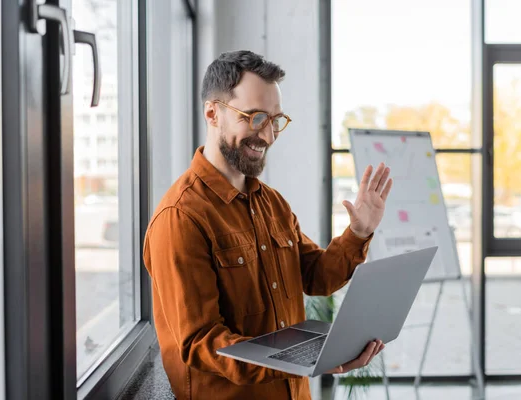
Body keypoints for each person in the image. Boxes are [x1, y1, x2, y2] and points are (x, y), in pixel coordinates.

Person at [143, 50, 393, 400]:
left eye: (276, 119)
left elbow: (316, 278)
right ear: (213, 113)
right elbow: (201, 344)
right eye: (256, 117)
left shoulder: (271, 203)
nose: (269, 135)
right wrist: (301, 358)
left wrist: (359, 232)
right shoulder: (181, 217)